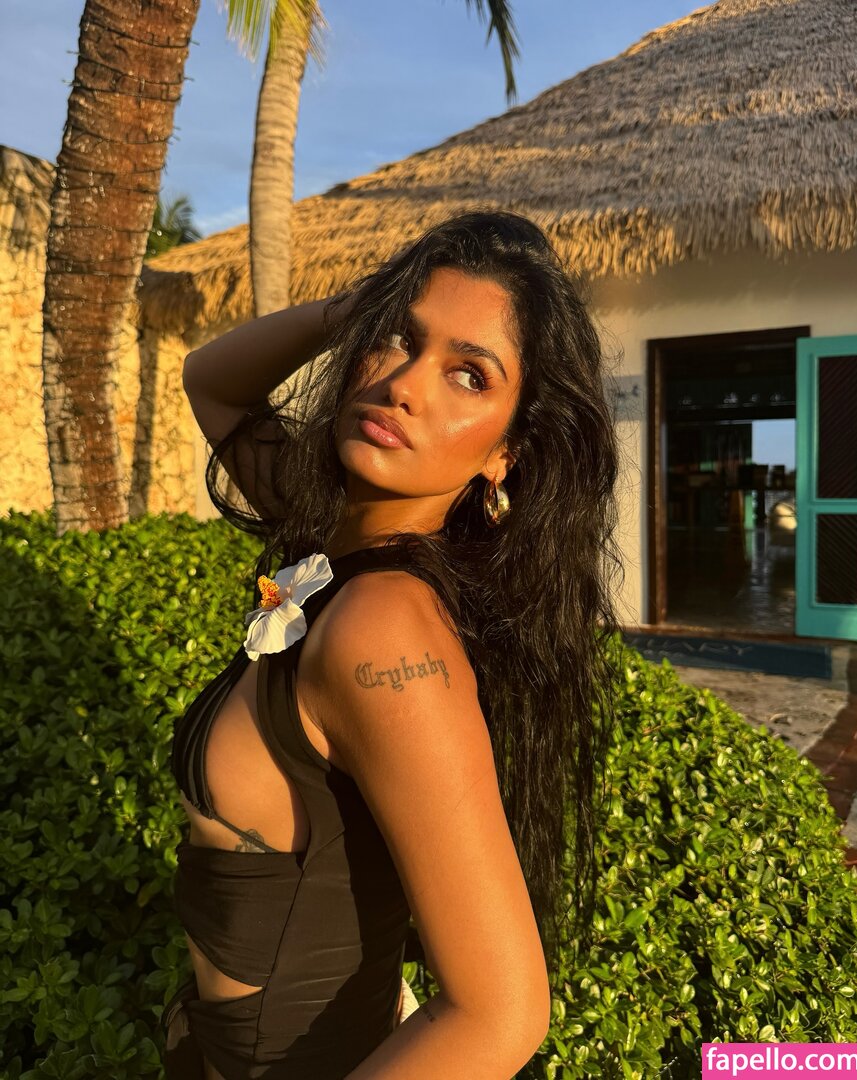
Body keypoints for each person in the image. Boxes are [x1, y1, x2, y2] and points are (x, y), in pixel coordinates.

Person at [161, 208, 623, 1079]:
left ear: (504, 454)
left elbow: (501, 1015)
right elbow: (212, 382)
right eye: (398, 341)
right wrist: (364, 307)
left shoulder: (381, 626)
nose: (405, 385)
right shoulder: (333, 543)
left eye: (469, 376)